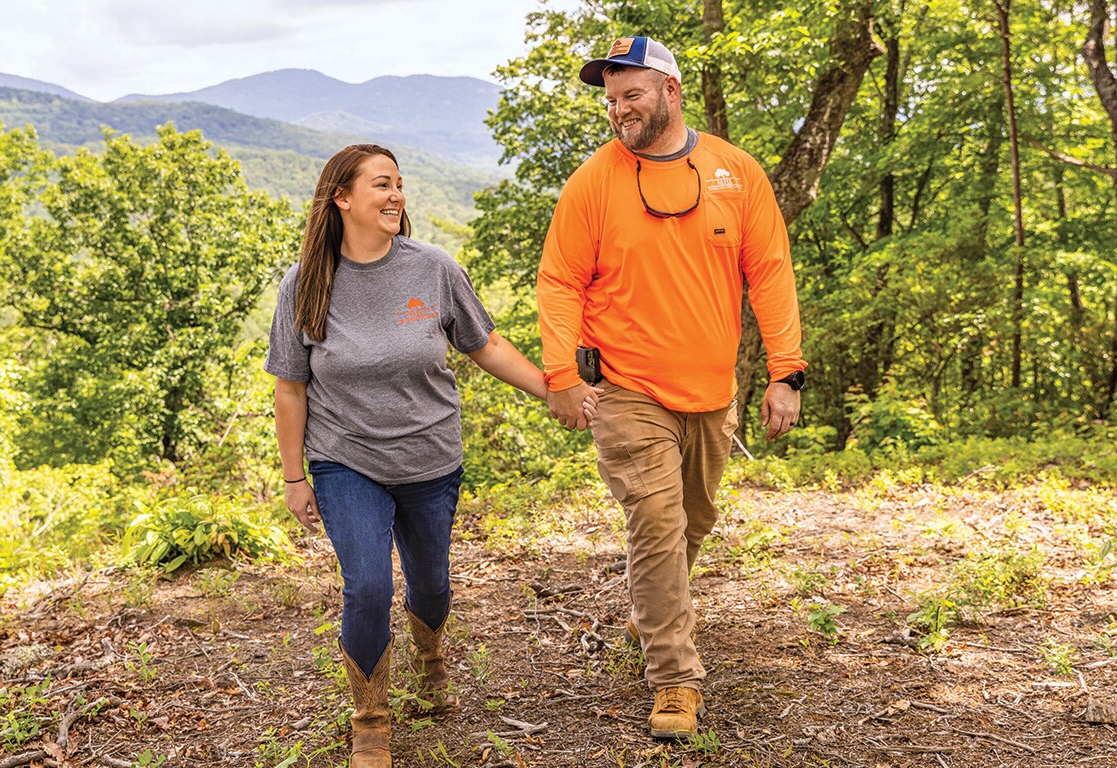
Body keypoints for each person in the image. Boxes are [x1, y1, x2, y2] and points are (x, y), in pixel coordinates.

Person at [266, 144, 598, 768]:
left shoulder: (433, 269)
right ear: (342, 198)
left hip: (429, 456)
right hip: (345, 459)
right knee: (366, 585)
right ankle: (370, 717)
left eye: (399, 185)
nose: (396, 196)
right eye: (381, 185)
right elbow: (291, 386)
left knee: (432, 585)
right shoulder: (305, 283)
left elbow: (487, 345)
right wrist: (294, 476)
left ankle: (431, 655)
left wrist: (556, 390)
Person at [537, 37, 807, 740]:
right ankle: (675, 680)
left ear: (671, 92)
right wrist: (561, 375)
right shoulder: (593, 181)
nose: (618, 109)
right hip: (626, 389)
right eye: (610, 99)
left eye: (631, 94)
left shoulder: (735, 172)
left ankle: (652, 615)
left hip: (713, 392)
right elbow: (560, 281)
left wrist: (786, 370)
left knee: (692, 523)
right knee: (656, 527)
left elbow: (769, 272)